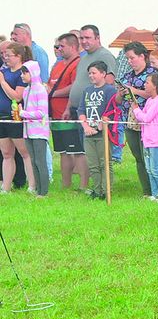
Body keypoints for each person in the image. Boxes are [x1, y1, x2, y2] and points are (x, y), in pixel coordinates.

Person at [117, 42, 158, 197]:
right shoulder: (127, 76)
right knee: (138, 157)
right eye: (127, 58)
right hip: (130, 119)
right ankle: (146, 190)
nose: (129, 61)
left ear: (142, 56)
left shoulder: (152, 75)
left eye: (132, 58)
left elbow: (155, 95)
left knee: (149, 155)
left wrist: (135, 91)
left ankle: (156, 189)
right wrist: (121, 93)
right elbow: (118, 100)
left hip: (148, 119)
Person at [47, 33, 85, 191]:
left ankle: (83, 186)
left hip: (70, 113)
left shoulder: (78, 64)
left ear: (73, 47)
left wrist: (54, 93)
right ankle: (65, 185)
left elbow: (75, 86)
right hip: (55, 114)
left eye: (62, 46)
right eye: (57, 46)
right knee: (62, 151)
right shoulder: (57, 65)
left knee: (77, 151)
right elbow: (50, 84)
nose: (58, 49)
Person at [78, 61, 117, 200]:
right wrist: (86, 127)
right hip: (88, 133)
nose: (91, 75)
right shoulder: (87, 91)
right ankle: (97, 190)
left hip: (103, 133)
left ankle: (107, 190)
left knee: (104, 163)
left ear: (103, 74)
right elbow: (81, 110)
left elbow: (111, 109)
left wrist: (102, 124)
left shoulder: (110, 90)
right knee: (93, 164)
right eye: (89, 73)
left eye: (94, 73)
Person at [131, 74, 158, 202]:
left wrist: (136, 110)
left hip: (156, 139)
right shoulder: (149, 101)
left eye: (148, 82)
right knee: (149, 169)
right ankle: (155, 194)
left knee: (156, 168)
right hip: (147, 139)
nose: (145, 84)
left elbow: (146, 118)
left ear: (155, 86)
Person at [0, 43, 33, 193]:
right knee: (6, 153)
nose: (5, 58)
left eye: (9, 55)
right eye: (4, 55)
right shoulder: (4, 71)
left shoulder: (22, 73)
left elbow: (17, 96)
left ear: (18, 56)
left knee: (24, 152)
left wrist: (2, 82)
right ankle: (6, 187)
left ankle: (32, 185)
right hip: (2, 117)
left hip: (15, 116)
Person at [18, 61, 50, 198]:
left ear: (32, 73)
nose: (22, 76)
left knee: (40, 161)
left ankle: (44, 192)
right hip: (28, 131)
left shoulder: (40, 89)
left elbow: (41, 112)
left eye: (24, 73)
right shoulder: (26, 90)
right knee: (33, 161)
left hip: (39, 132)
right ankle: (38, 190)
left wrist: (23, 114)